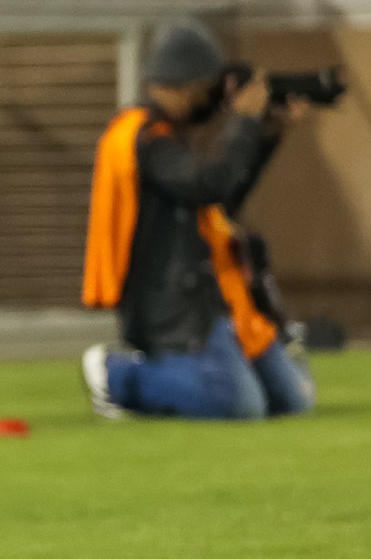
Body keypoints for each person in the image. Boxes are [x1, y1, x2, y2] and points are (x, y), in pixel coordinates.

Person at [81, 22, 315, 421]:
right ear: (186, 86)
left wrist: (266, 134)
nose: (210, 99)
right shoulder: (145, 139)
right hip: (173, 308)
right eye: (206, 88)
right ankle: (118, 376)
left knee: (291, 401)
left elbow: (221, 199)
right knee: (237, 405)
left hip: (210, 297)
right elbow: (208, 184)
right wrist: (242, 120)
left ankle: (190, 375)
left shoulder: (166, 138)